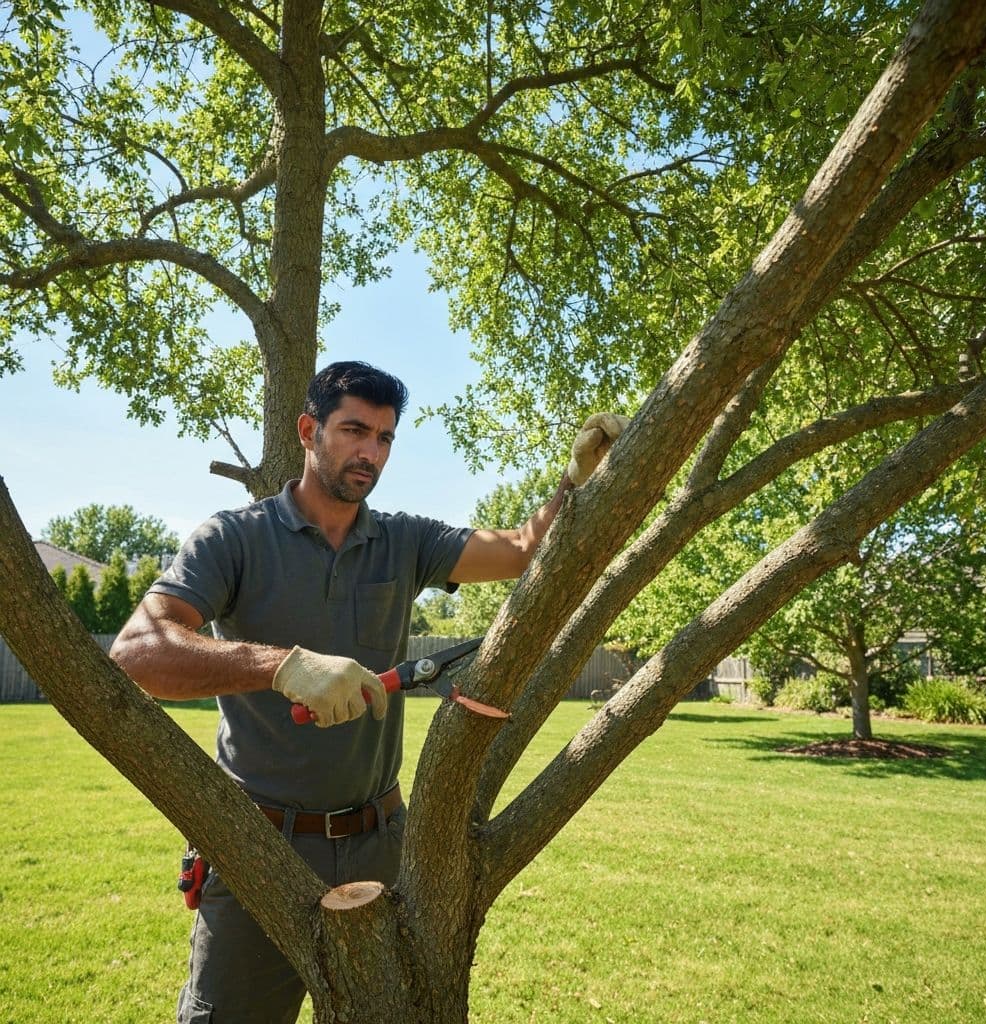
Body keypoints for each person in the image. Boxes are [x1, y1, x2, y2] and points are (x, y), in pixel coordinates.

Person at [110, 361, 627, 1024]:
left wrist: (576, 485)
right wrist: (281, 665)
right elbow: (137, 654)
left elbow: (520, 550)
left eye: (384, 437)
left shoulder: (404, 540)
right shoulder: (233, 538)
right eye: (354, 430)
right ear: (308, 429)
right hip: (257, 847)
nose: (370, 452)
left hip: (381, 843)